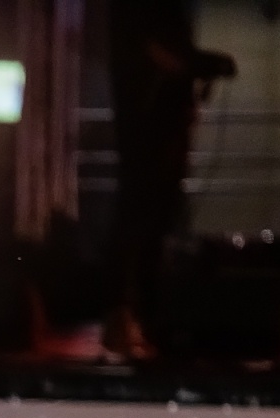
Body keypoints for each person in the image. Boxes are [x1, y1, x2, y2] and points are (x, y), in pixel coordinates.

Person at [103, 0, 235, 359]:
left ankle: (144, 316)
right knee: (141, 216)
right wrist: (196, 67)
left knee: (155, 217)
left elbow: (168, 55)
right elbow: (160, 54)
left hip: (160, 122)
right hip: (149, 125)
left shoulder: (160, 17)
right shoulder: (140, 16)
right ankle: (129, 314)